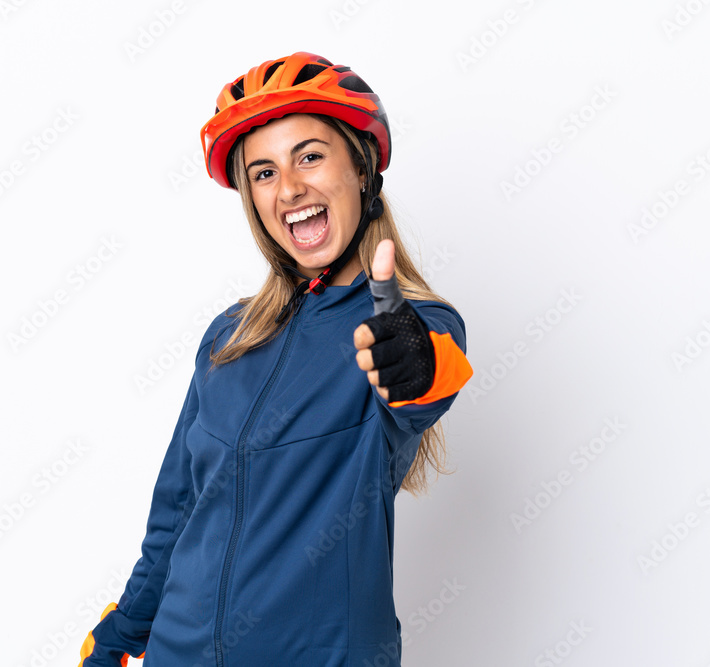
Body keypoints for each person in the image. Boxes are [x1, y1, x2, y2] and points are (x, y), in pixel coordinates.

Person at [77, 51, 473, 667]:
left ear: (363, 168)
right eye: (263, 172)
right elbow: (178, 512)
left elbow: (428, 377)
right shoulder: (228, 337)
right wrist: (123, 632)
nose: (289, 188)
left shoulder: (412, 327)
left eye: (310, 156)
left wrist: (412, 357)